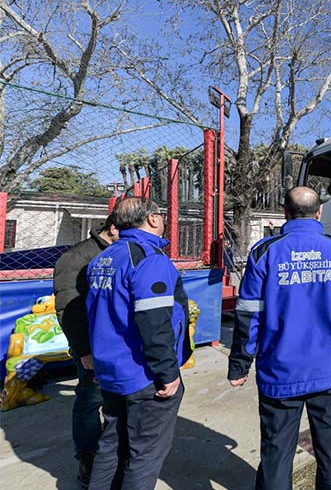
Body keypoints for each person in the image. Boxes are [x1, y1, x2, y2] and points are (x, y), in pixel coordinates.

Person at [228, 186, 331, 490]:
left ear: (285, 213)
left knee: (277, 453)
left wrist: (239, 365)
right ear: (319, 212)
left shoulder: (265, 253)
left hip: (280, 372)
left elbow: (248, 315)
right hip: (328, 370)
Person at [85, 197, 192, 490]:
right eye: (162, 215)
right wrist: (168, 373)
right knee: (144, 455)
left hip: (111, 371)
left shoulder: (102, 259)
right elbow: (154, 323)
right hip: (143, 375)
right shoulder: (149, 259)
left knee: (111, 445)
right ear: (153, 220)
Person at [53, 215, 119, 488]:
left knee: (116, 400)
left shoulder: (120, 253)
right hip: (91, 347)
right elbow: (68, 309)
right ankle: (88, 457)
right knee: (90, 399)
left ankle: (111, 453)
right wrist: (84, 350)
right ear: (114, 228)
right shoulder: (76, 258)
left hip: (117, 346)